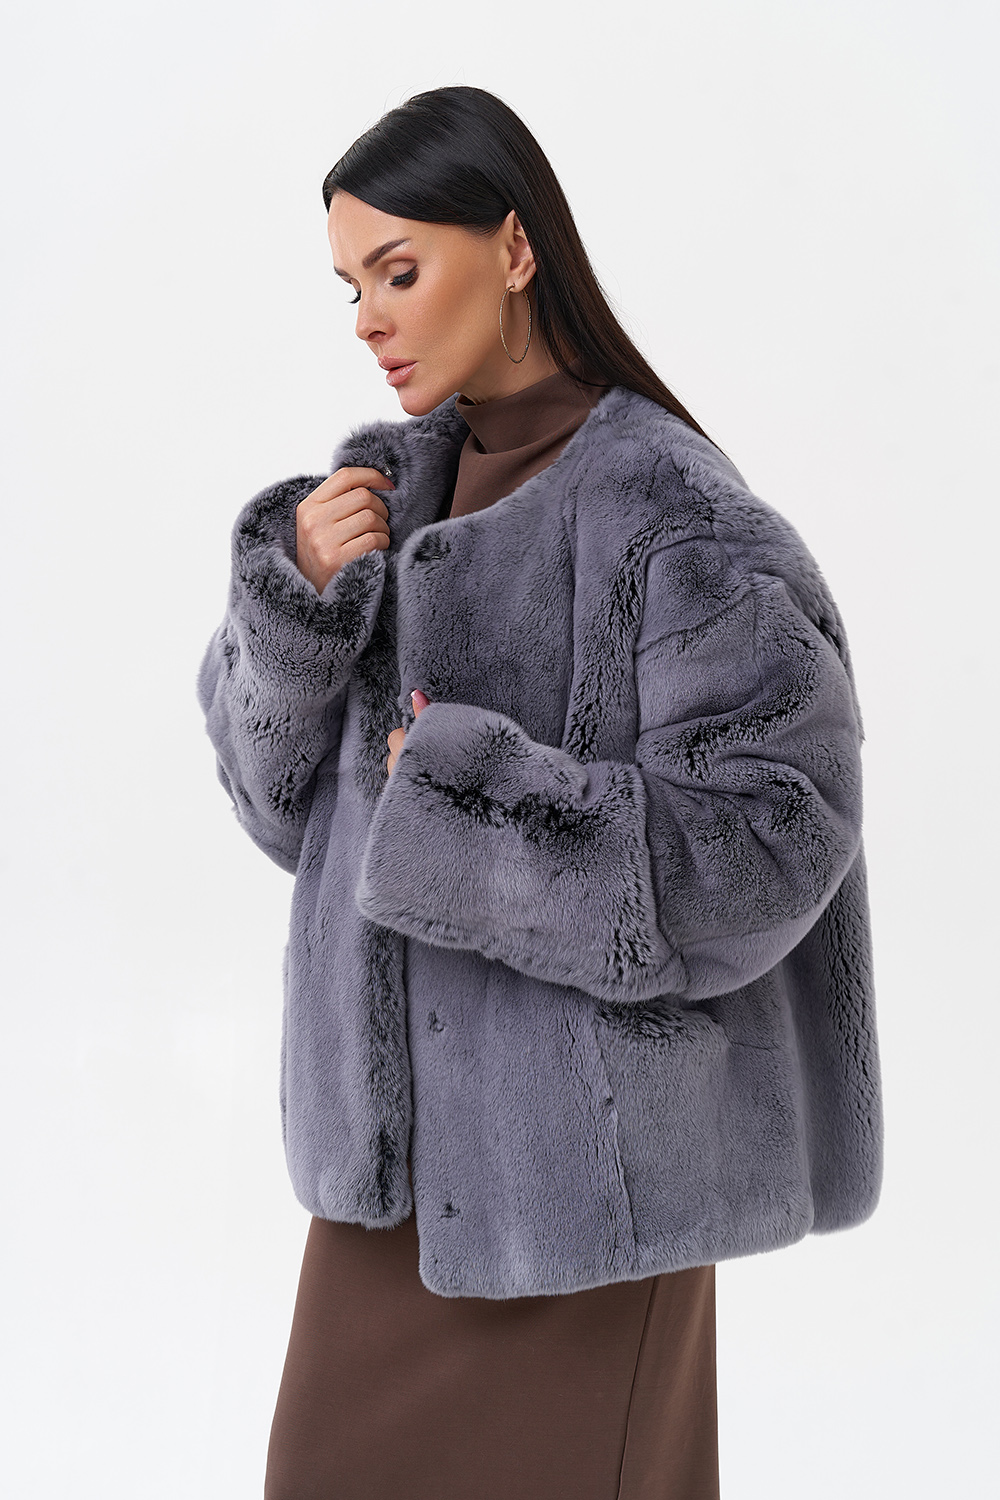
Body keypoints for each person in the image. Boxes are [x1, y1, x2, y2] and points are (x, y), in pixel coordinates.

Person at [196, 86, 884, 1500]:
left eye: (400, 271)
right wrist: (297, 613)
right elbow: (278, 812)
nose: (370, 319)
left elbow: (773, 839)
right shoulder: (381, 501)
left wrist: (474, 808)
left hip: (591, 1192)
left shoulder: (678, 517)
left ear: (515, 248)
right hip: (389, 1179)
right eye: (351, 287)